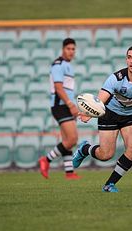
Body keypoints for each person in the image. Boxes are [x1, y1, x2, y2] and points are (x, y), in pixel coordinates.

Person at [73, 45, 132, 192]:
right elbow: (100, 100)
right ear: (126, 60)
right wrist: (89, 113)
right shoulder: (115, 78)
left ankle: (109, 184)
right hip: (110, 114)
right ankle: (85, 149)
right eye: (129, 57)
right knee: (106, 154)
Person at [39, 38, 80, 180]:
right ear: (63, 49)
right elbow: (58, 88)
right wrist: (70, 104)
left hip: (65, 105)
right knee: (73, 139)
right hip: (60, 106)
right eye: (68, 48)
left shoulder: (68, 65)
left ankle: (69, 172)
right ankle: (46, 159)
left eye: (73, 49)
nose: (71, 51)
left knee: (67, 139)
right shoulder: (58, 64)